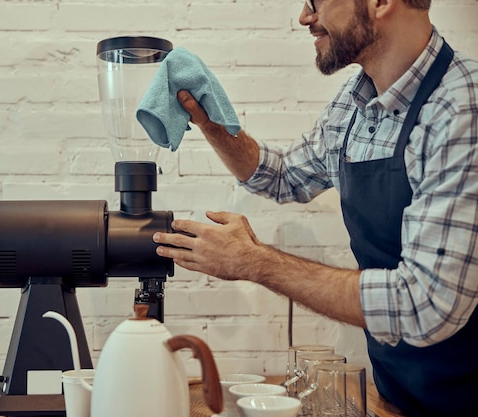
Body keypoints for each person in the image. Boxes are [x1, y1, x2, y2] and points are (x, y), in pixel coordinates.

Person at [151, 1, 478, 416]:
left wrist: (254, 262)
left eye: (316, 1)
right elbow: (284, 176)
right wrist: (209, 120)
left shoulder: (461, 106)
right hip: (397, 396)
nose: (305, 17)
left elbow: (423, 305)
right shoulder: (355, 102)